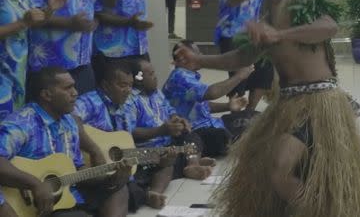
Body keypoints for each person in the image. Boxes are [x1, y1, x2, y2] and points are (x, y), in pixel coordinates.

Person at [173, 0, 360, 217]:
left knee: (280, 168)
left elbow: (328, 27)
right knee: (266, 164)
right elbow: (244, 56)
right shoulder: (265, 12)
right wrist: (200, 60)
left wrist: (280, 34)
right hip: (289, 103)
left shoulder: (297, 1)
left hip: (317, 103)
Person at [0, 68, 130, 217]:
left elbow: (76, 172)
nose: (75, 93)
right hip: (31, 207)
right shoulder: (21, 123)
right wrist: (34, 183)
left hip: (67, 197)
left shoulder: (69, 122)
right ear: (46, 95)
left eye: (74, 86)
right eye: (68, 88)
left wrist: (111, 178)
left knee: (119, 188)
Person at [72, 58, 172, 211]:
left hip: (118, 170)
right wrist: (94, 150)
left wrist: (156, 157)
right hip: (90, 171)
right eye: (122, 85)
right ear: (106, 85)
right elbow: (72, 118)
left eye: (131, 86)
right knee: (124, 189)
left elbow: (123, 148)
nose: (127, 91)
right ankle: (144, 195)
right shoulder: (91, 101)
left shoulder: (125, 108)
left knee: (165, 162)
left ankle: (146, 192)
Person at [0, 0, 66, 120]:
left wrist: (49, 9)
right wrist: (22, 23)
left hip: (18, 72)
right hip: (2, 74)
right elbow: (24, 22)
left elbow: (33, 21)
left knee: (14, 125)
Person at [163, 41, 251, 158]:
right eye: (198, 53)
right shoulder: (179, 77)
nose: (202, 55)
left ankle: (239, 141)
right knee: (224, 135)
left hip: (212, 125)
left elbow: (202, 105)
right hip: (195, 133)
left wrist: (228, 106)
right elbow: (211, 93)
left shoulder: (188, 76)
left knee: (253, 116)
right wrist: (239, 76)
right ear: (183, 58)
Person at [131, 58, 215, 180]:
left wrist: (178, 120)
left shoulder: (157, 93)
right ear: (138, 79)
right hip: (150, 148)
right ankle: (191, 162)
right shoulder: (130, 100)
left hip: (168, 142)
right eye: (151, 74)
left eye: (154, 72)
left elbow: (170, 110)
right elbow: (130, 132)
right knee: (162, 163)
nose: (155, 77)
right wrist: (160, 130)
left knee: (192, 136)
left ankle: (192, 164)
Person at [216, 0, 272, 111]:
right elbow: (231, 1)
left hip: (254, 34)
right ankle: (236, 115)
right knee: (238, 78)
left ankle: (249, 113)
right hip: (232, 35)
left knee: (263, 73)